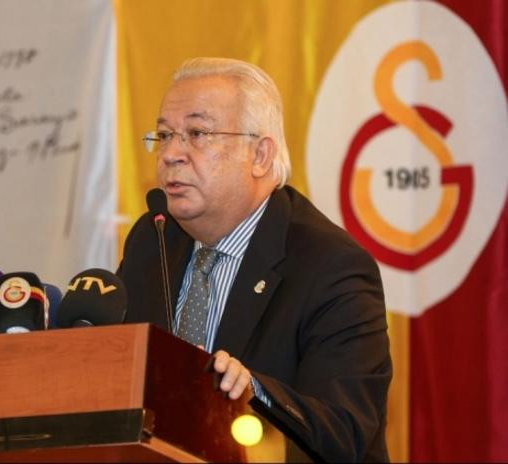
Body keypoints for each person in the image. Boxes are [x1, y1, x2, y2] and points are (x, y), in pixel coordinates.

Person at [117, 57, 391, 462]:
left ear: (260, 155)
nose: (170, 154)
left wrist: (253, 394)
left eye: (197, 133)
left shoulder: (332, 267)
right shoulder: (152, 238)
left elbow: (345, 432)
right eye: (164, 135)